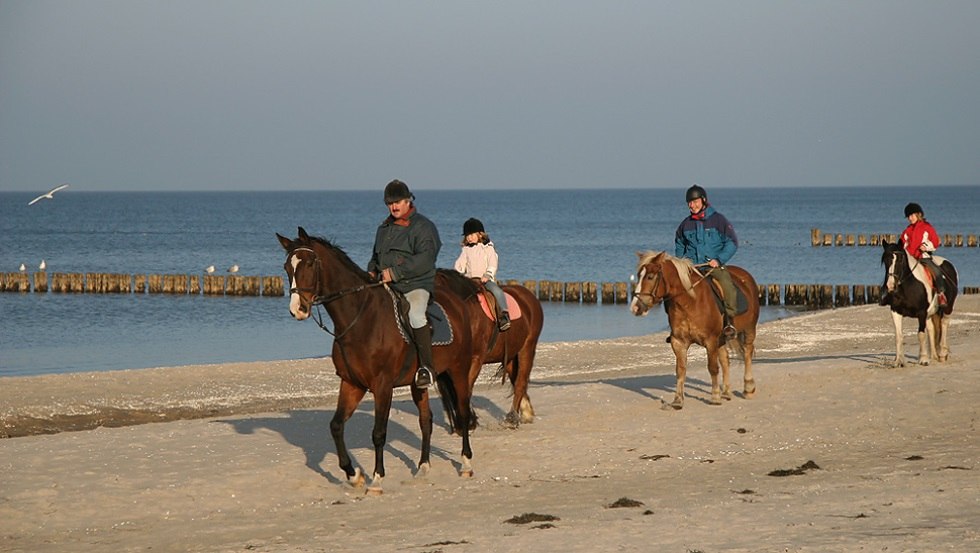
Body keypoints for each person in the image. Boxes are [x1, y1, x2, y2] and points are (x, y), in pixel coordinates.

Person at [367, 179, 442, 388]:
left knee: (416, 315)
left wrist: (395, 272)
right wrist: (371, 271)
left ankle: (427, 368)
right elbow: (375, 255)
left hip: (415, 285)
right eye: (390, 203)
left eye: (397, 201)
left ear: (408, 200)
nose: (394, 206)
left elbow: (426, 259)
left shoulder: (424, 227)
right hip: (388, 285)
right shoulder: (384, 228)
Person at [674, 184, 739, 340]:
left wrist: (719, 260)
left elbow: (732, 242)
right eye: (689, 202)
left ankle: (729, 322)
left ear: (703, 201)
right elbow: (679, 244)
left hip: (713, 266)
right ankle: (676, 325)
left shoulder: (718, 220)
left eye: (695, 201)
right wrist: (681, 263)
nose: (692, 205)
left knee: (727, 286)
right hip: (693, 268)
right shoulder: (685, 224)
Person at [454, 217, 510, 331]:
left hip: (485, 280)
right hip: (470, 281)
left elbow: (493, 262)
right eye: (467, 236)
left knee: (497, 291)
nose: (469, 238)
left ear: (480, 234)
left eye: (471, 235)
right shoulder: (466, 250)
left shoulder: (488, 248)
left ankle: (503, 315)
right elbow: (460, 264)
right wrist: (457, 274)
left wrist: (488, 274)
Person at [901, 202, 947, 306]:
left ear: (918, 215)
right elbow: (903, 243)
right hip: (910, 258)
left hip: (923, 258)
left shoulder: (927, 227)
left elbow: (935, 241)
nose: (910, 218)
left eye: (912, 215)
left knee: (937, 271)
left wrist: (925, 247)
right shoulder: (907, 230)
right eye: (908, 216)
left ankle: (941, 294)